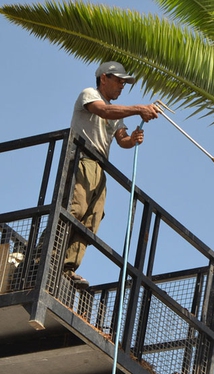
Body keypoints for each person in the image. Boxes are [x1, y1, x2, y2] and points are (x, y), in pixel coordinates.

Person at [63, 61, 159, 288]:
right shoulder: (89, 94)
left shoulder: (117, 114)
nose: (122, 86)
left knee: (91, 220)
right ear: (103, 78)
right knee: (73, 210)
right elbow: (103, 111)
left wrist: (133, 139)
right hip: (82, 159)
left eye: (124, 83)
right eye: (119, 81)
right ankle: (42, 258)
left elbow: (122, 140)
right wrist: (138, 108)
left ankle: (67, 267)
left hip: (100, 166)